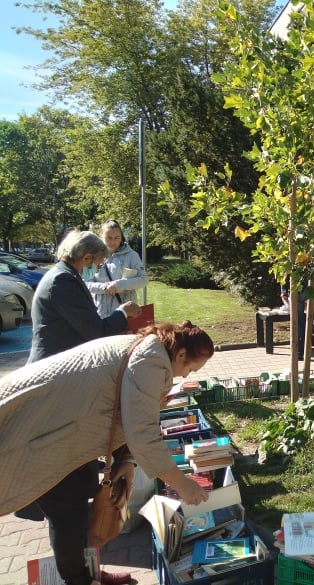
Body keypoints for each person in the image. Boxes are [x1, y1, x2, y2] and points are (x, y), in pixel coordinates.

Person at [0, 322, 214, 585]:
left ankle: (86, 571)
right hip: (39, 437)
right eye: (190, 368)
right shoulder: (152, 361)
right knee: (68, 515)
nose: (184, 376)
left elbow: (125, 412)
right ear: (181, 354)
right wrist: (183, 485)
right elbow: (143, 432)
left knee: (79, 499)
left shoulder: (149, 349)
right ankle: (79, 579)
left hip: (60, 434)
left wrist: (127, 459)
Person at [28, 230, 142, 364]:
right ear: (87, 258)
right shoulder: (63, 281)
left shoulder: (64, 275)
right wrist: (123, 311)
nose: (99, 268)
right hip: (52, 367)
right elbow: (97, 332)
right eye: (99, 263)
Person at [84, 220, 148, 318]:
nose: (113, 241)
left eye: (116, 238)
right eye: (109, 238)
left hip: (126, 314)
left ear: (121, 237)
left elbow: (143, 280)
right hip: (101, 313)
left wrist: (118, 285)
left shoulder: (132, 255)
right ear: (101, 237)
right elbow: (86, 284)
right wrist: (105, 288)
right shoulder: (93, 256)